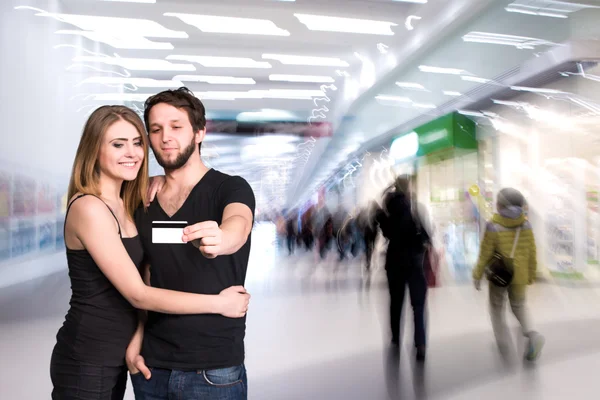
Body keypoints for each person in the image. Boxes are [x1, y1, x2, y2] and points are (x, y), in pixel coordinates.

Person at [50, 106, 251, 400]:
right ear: (94, 150)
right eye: (118, 144)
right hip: (88, 355)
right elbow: (138, 294)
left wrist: (160, 181)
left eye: (136, 143)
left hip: (115, 356)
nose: (131, 153)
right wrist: (219, 304)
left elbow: (237, 223)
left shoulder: (131, 201)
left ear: (200, 134)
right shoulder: (89, 208)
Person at [128, 87, 256, 400]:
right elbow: (143, 277)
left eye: (176, 126)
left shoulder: (229, 188)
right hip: (151, 370)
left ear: (199, 132)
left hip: (213, 372)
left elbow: (239, 222)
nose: (165, 137)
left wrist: (223, 238)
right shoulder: (142, 199)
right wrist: (134, 346)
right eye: (156, 129)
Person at [473, 188, 545, 361]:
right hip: (519, 275)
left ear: (500, 205)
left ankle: (503, 343)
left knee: (496, 308)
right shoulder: (526, 224)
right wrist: (531, 273)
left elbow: (485, 253)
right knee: (519, 305)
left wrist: (477, 274)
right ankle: (532, 334)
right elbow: (531, 251)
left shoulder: (493, 225)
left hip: (500, 276)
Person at [376, 176, 430, 361]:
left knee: (396, 302)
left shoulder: (388, 206)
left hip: (394, 262)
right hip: (414, 262)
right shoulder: (414, 207)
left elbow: (388, 232)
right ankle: (420, 344)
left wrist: (382, 218)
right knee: (418, 305)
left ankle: (396, 338)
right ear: (408, 187)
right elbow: (426, 234)